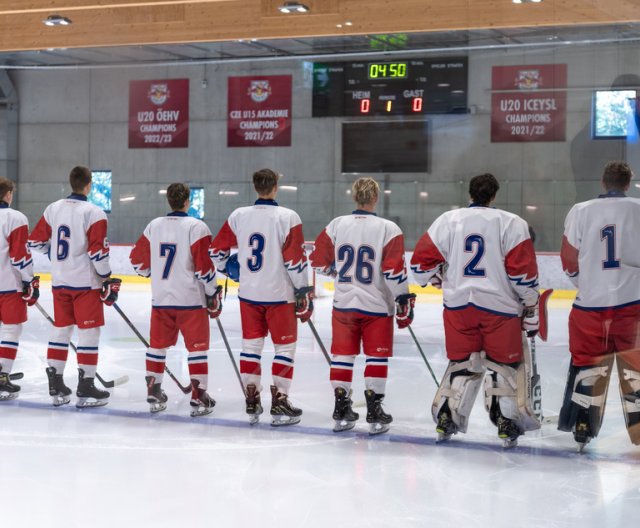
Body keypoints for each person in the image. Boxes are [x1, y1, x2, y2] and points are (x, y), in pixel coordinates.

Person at [411, 173, 540, 448]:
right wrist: (530, 303)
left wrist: (437, 279)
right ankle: (506, 421)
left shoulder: (447, 221)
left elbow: (419, 269)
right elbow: (523, 275)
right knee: (503, 366)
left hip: (458, 308)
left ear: (470, 193)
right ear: (494, 195)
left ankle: (446, 417)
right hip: (500, 309)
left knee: (461, 363)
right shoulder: (512, 223)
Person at [309, 177, 414, 435]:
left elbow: (317, 262)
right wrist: (402, 297)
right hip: (376, 305)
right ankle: (375, 407)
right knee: (376, 356)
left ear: (354, 197)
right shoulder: (389, 228)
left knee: (343, 356)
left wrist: (339, 274)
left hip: (344, 303)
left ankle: (341, 405)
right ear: (376, 197)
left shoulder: (336, 225)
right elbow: (393, 272)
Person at [210, 168, 312, 426]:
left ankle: (252, 397)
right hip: (281, 295)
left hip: (249, 295)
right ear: (275, 186)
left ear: (255, 186)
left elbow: (216, 252)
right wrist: (303, 290)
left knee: (251, 347)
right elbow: (295, 260)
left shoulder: (239, 216)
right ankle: (280, 400)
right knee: (284, 348)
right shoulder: (288, 217)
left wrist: (227, 269)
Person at [559, 161, 640, 450]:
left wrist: (590, 285)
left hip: (589, 308)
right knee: (636, 368)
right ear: (628, 183)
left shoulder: (580, 210)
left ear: (603, 182)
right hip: (633, 306)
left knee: (587, 365)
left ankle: (582, 423)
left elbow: (569, 261)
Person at [28, 166, 120, 408]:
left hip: (60, 282)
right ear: (89, 185)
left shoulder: (53, 208)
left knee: (62, 330)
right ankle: (86, 385)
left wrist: (56, 257)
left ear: (71, 183)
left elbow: (35, 242)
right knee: (89, 334)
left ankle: (56, 382)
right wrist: (107, 277)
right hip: (85, 284)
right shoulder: (94, 212)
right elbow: (98, 252)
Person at [129, 183, 222, 416]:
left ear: (168, 201)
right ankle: (199, 396)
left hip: (162, 300)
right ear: (187, 201)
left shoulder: (154, 226)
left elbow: (138, 262)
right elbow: (205, 269)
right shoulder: (197, 227)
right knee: (197, 350)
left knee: (157, 347)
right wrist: (212, 292)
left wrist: (155, 274)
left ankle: (153, 390)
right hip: (191, 301)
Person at [0, 177, 39, 400]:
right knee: (11, 330)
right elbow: (19, 255)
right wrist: (29, 281)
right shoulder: (15, 218)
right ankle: (3, 375)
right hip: (9, 286)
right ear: (8, 195)